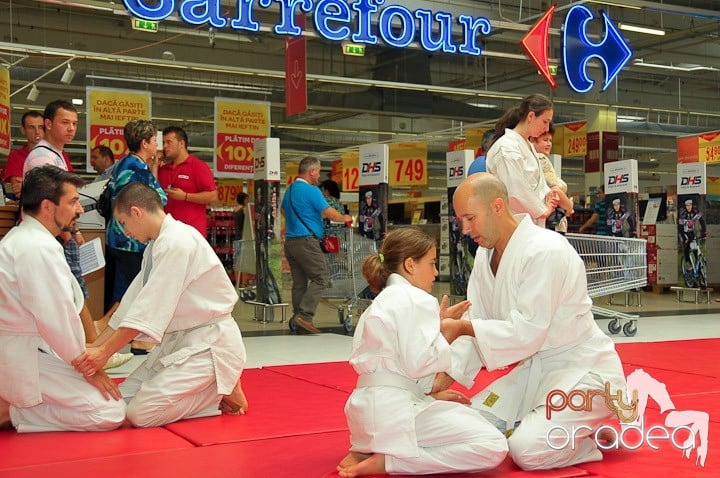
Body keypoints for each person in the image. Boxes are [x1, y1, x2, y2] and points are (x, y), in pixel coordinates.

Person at [443, 173, 626, 471]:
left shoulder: (545, 250)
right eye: (460, 220)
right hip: (534, 373)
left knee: (526, 450)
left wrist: (463, 327)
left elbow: (528, 332)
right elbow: (476, 324)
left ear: (498, 207)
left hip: (583, 371)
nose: (464, 229)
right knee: (466, 426)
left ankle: (584, 437)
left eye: (470, 218)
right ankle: (572, 425)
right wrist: (434, 385)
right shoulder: (484, 257)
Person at [73, 182, 248, 427]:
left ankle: (218, 391)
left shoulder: (177, 242)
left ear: (136, 212)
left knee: (140, 414)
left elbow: (148, 311)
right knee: (117, 404)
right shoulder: (157, 245)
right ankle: (218, 384)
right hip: (180, 343)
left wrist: (103, 354)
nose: (126, 232)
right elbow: (131, 307)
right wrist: (94, 348)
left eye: (124, 223)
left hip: (209, 344)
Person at [337, 227, 508, 477]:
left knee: (460, 414)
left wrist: (434, 328)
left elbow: (402, 366)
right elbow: (420, 363)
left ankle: (371, 449)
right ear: (410, 265)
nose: (436, 273)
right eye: (432, 263)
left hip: (363, 415)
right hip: (394, 414)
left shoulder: (382, 302)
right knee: (493, 445)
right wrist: (445, 335)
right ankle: (391, 462)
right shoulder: (417, 299)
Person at [0, 166, 125, 433]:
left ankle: (17, 407)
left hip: (34, 349)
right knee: (110, 411)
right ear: (48, 207)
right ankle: (12, 410)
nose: (79, 209)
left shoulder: (29, 239)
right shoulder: (36, 248)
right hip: (25, 356)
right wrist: (89, 368)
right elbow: (57, 320)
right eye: (72, 201)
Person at [22, 100, 97, 344]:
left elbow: (66, 200)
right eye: (65, 122)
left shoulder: (56, 154)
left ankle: (86, 341)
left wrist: (74, 231)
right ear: (48, 123)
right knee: (69, 291)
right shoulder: (42, 157)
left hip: (59, 234)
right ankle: (87, 343)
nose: (71, 128)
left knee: (72, 290)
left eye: (75, 123)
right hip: (53, 235)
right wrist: (68, 234)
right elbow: (52, 203)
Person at [104, 120, 166, 354]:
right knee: (140, 291)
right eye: (154, 141)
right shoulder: (138, 168)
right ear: (145, 143)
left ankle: (107, 340)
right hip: (132, 240)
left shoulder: (123, 164)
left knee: (122, 291)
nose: (156, 146)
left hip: (117, 238)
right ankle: (138, 340)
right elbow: (157, 200)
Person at [281, 156, 352, 334]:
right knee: (321, 278)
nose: (319, 175)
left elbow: (283, 210)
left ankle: (298, 317)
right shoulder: (312, 191)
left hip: (290, 242)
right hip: (306, 241)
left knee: (299, 282)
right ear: (311, 171)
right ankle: (304, 316)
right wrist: (346, 218)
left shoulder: (289, 190)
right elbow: (331, 214)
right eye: (318, 171)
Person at [485, 94, 560, 227]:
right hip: (512, 223)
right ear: (531, 116)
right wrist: (543, 210)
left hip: (531, 223)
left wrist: (550, 196)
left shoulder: (528, 145)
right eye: (545, 121)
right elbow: (514, 190)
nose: (547, 128)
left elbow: (538, 184)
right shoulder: (506, 147)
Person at [158, 126, 218, 237]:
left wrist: (185, 196)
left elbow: (212, 196)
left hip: (192, 234)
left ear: (181, 143)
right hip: (167, 234)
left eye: (169, 142)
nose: (165, 146)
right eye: (163, 143)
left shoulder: (198, 166)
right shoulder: (162, 169)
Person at [529, 123, 574, 234]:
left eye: (550, 140)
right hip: (551, 223)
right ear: (533, 141)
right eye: (545, 140)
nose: (549, 144)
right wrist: (569, 206)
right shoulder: (541, 159)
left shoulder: (529, 160)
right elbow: (555, 190)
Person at [3, 111, 48, 200]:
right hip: (28, 211)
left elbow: (67, 188)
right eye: (31, 127)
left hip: (55, 212)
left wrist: (27, 185)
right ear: (23, 130)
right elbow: (18, 191)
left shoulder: (59, 153)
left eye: (41, 127)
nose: (37, 132)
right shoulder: (15, 156)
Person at [678, 198, 706, 266]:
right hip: (683, 232)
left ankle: (698, 265)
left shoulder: (695, 211)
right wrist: (684, 239)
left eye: (690, 205)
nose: (688, 207)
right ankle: (688, 262)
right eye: (687, 205)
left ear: (692, 205)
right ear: (685, 206)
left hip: (691, 232)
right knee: (687, 246)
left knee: (695, 247)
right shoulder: (683, 214)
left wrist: (705, 231)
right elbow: (680, 228)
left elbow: (702, 221)